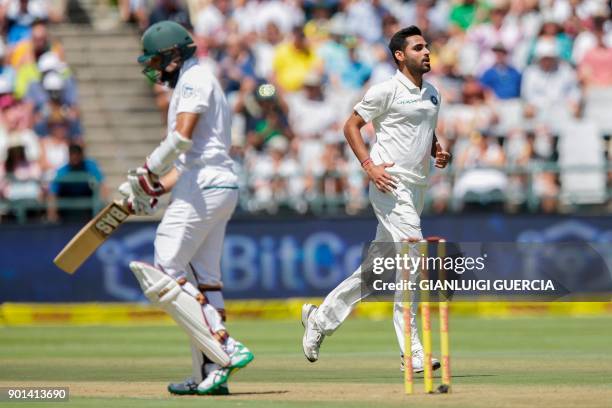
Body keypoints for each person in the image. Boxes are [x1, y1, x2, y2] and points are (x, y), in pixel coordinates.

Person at [301, 26, 451, 372]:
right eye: (418, 48)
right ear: (400, 56)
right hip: (389, 183)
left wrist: (438, 152)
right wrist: (369, 166)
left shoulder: (432, 93)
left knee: (376, 272)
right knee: (412, 258)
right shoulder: (385, 90)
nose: (426, 52)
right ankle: (410, 352)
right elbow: (350, 126)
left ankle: (320, 320)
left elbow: (425, 133)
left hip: (417, 188)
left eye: (426, 47)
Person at [118, 20, 253, 396]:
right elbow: (186, 160)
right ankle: (212, 372)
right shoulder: (196, 80)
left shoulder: (195, 80)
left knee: (163, 268)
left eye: (158, 61)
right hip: (215, 182)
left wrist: (146, 170)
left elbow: (180, 138)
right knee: (205, 281)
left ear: (175, 57)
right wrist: (153, 187)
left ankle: (224, 345)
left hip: (205, 186)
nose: (155, 70)